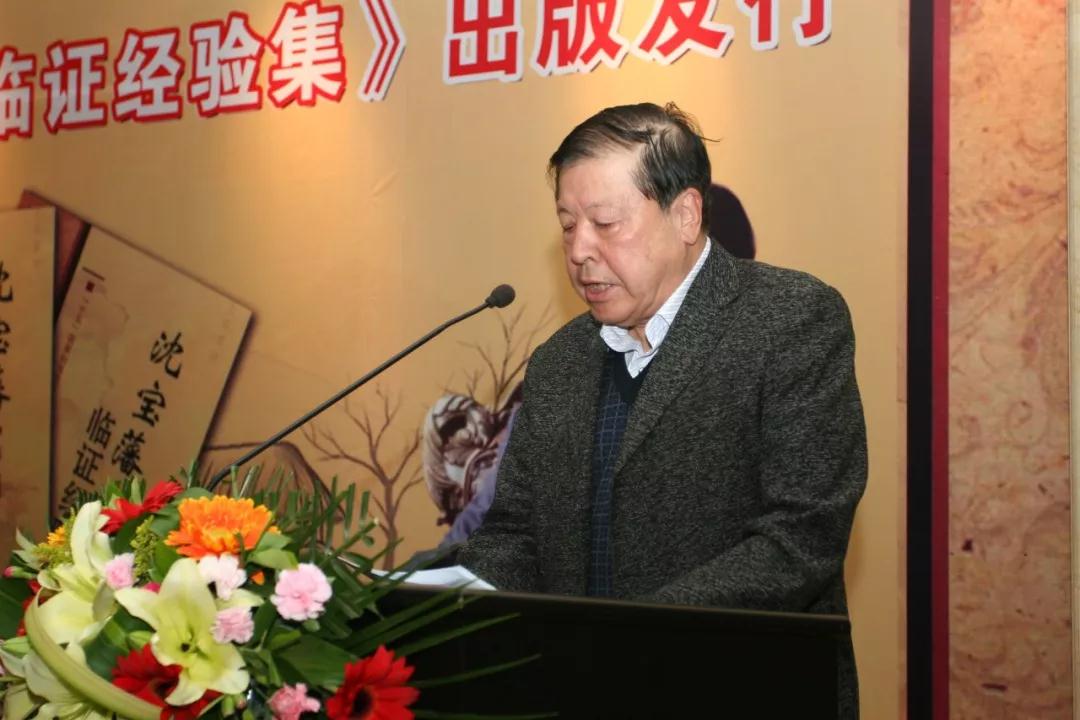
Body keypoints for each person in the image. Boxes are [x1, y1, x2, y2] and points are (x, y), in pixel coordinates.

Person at [457, 102, 866, 717]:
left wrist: (635, 637)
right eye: (567, 225)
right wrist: (446, 599)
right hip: (573, 694)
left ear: (686, 215)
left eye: (605, 223)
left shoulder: (790, 320)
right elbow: (515, 533)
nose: (580, 250)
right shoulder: (558, 361)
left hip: (743, 691)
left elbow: (801, 537)